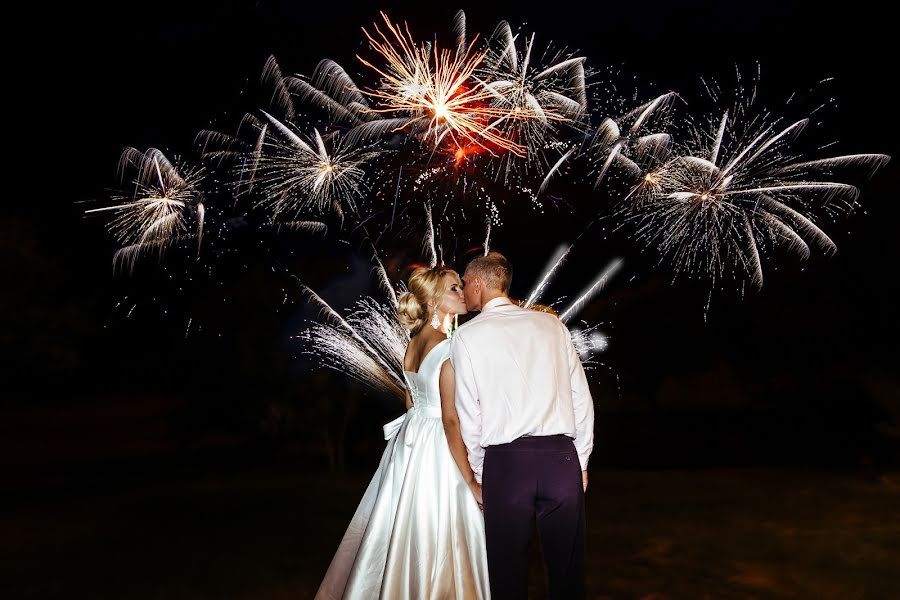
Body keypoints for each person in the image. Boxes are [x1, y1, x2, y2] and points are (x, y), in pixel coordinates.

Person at [315, 265, 490, 599]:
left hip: (411, 443)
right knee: (443, 526)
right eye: (455, 288)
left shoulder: (413, 344)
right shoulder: (450, 346)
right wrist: (469, 478)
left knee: (404, 522)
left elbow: (411, 401)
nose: (462, 292)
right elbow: (451, 419)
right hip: (439, 442)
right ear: (436, 300)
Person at [450, 252, 594, 599]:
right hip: (561, 458)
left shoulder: (466, 337)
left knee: (507, 570)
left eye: (466, 284)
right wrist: (581, 461)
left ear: (479, 284)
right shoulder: (552, 326)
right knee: (567, 568)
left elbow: (469, 415)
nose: (464, 292)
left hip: (506, 462)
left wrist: (483, 472)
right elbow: (581, 399)